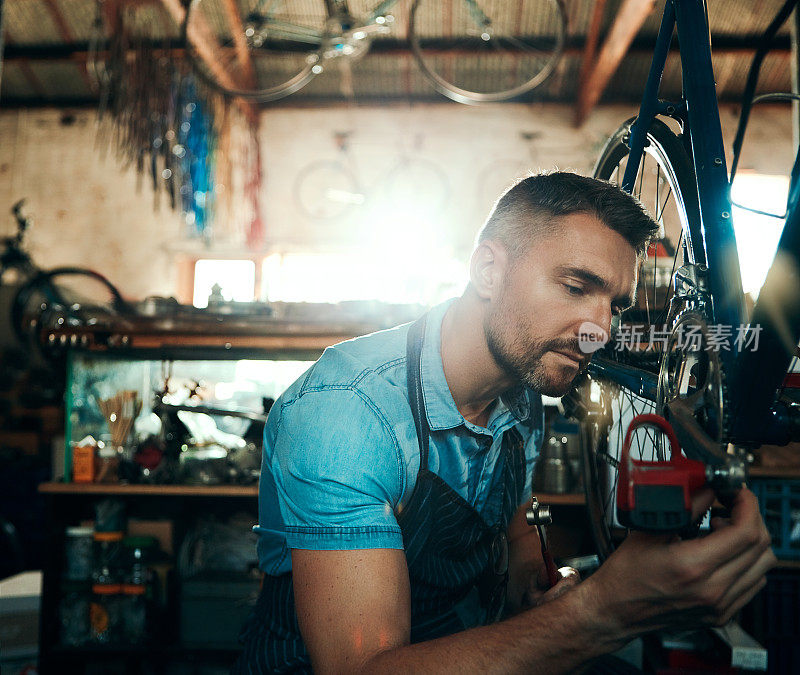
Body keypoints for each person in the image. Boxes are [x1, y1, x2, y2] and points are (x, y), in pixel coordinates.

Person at [235, 172, 775, 673]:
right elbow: (363, 671)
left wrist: (533, 591)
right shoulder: (349, 414)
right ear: (489, 271)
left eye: (614, 304)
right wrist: (601, 610)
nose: (601, 331)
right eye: (574, 287)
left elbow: (517, 533)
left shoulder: (522, 393)